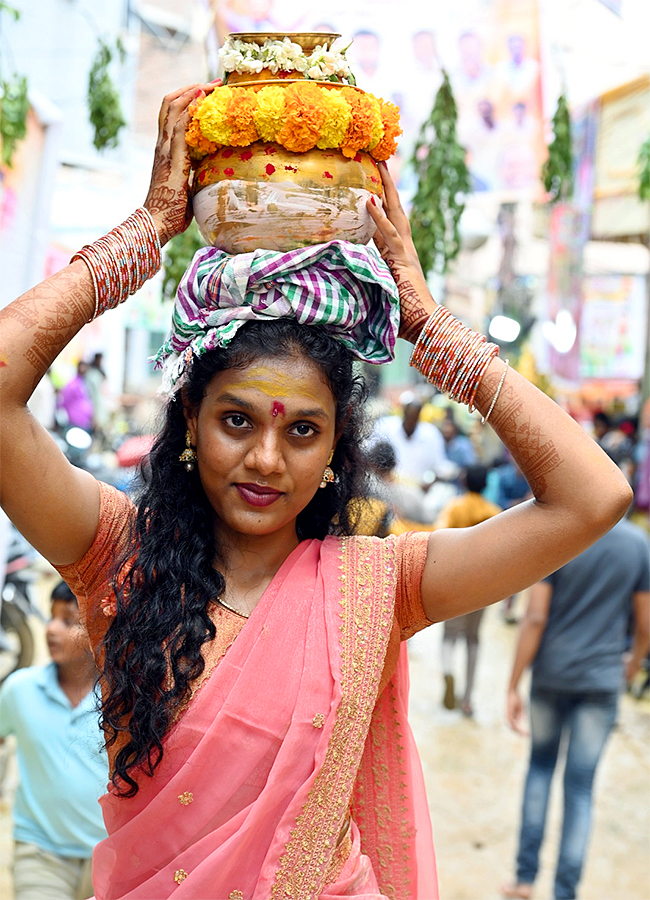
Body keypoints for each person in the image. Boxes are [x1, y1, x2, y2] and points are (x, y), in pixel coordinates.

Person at [0, 83, 631, 899]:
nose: (266, 459)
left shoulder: (377, 586)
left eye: (303, 430)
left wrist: (430, 326)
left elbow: (592, 498)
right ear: (190, 419)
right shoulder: (119, 555)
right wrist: (146, 234)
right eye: (236, 421)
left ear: (336, 449)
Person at [502, 516, 649, 900]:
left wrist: (513, 682)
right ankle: (564, 892)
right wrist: (631, 667)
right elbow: (646, 624)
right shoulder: (638, 544)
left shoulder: (562, 536)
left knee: (539, 768)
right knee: (580, 787)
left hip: (551, 675)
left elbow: (534, 616)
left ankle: (523, 879)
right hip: (601, 682)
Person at [0, 580, 108, 900]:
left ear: (96, 630)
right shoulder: (20, 691)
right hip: (40, 853)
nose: (51, 629)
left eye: (67, 620)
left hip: (109, 856)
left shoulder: (122, 701)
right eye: (51, 616)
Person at [435, 465, 501, 716]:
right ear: (485, 485)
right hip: (482, 585)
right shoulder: (494, 513)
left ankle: (448, 671)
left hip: (454, 580)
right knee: (473, 639)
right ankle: (468, 698)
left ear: (464, 481)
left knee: (449, 636)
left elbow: (438, 535)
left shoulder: (454, 507)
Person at [372, 394, 458, 487]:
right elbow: (370, 457)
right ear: (403, 413)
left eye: (414, 417)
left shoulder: (431, 434)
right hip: (387, 487)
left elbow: (439, 466)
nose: (410, 421)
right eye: (409, 416)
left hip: (420, 490)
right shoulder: (385, 427)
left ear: (419, 416)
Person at [58, 361, 94, 431]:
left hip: (85, 421)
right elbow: (65, 401)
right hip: (75, 420)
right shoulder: (72, 384)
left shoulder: (84, 382)